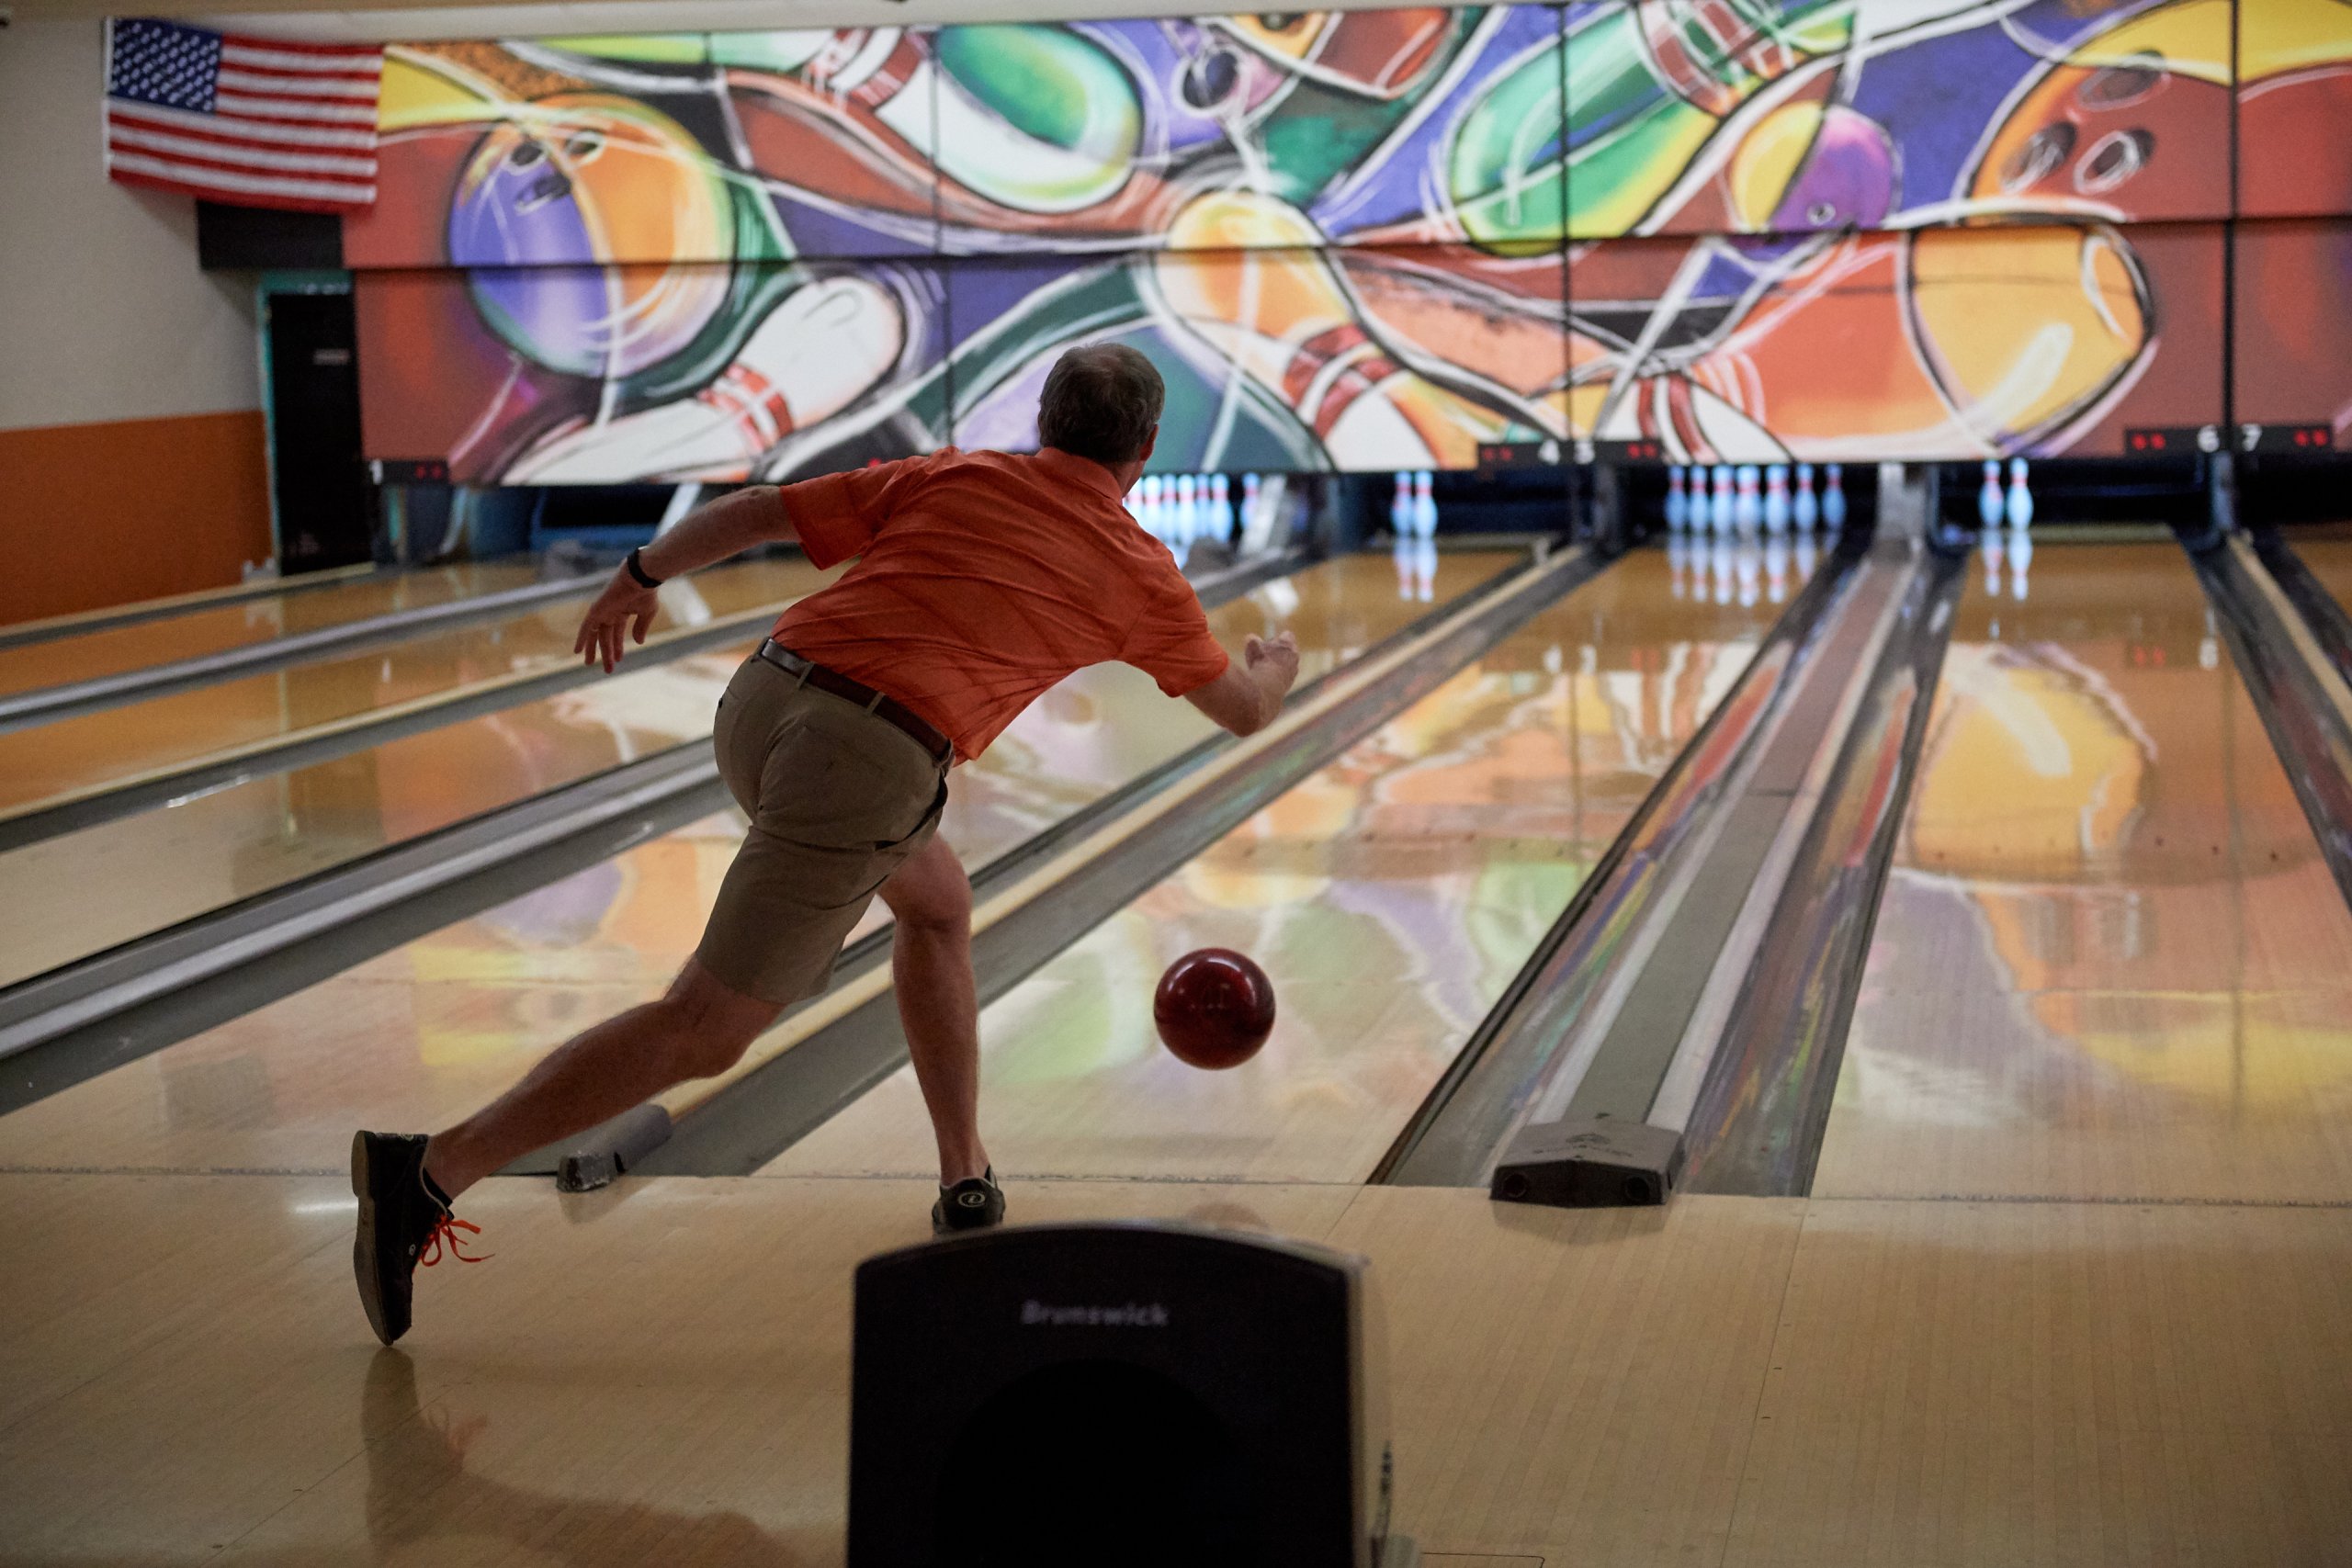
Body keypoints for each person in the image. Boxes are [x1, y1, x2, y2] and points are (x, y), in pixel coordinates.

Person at [350, 344, 1303, 1346]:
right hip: (865, 759)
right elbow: (1241, 711)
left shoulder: (958, 471)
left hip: (764, 700)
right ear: (1147, 448)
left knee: (935, 908)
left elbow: (763, 508)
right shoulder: (1139, 570)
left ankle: (964, 1173)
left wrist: (639, 572)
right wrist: (1273, 666)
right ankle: (431, 1170)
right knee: (706, 1028)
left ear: (1045, 421)